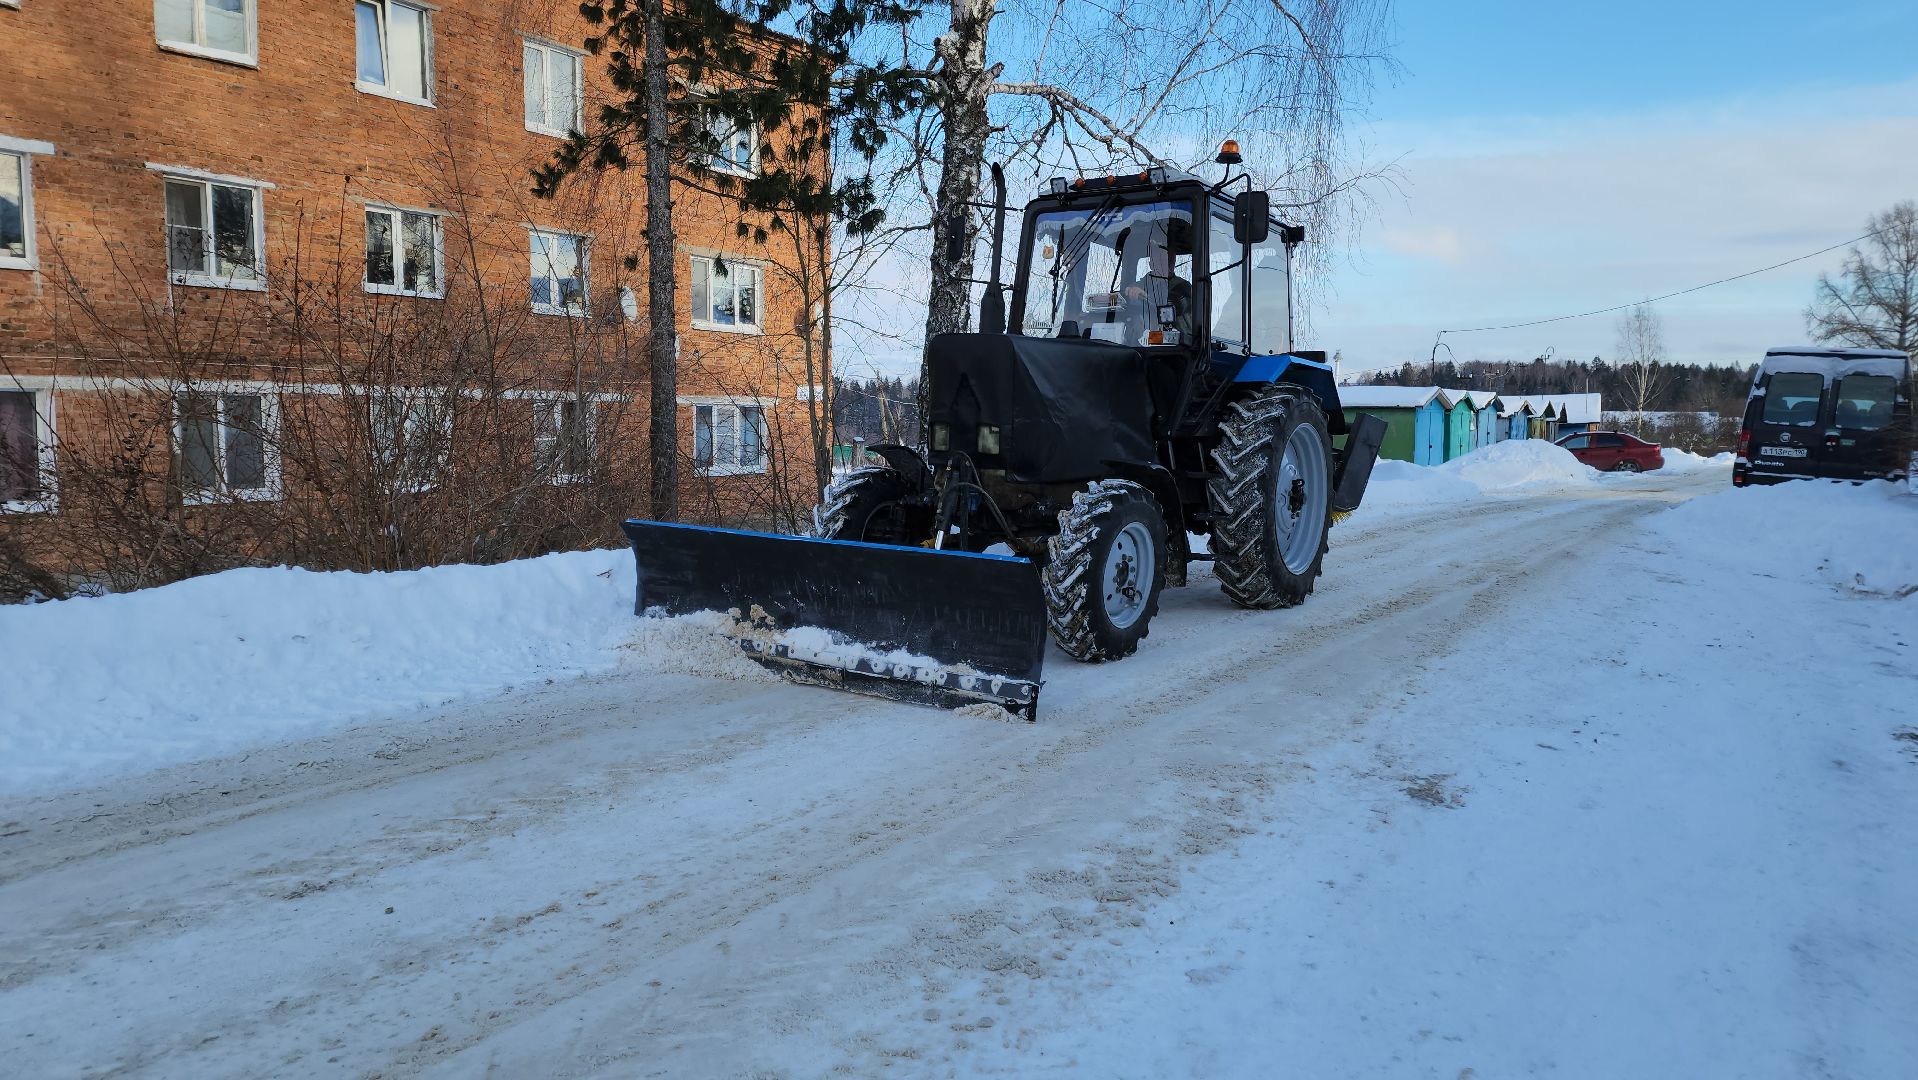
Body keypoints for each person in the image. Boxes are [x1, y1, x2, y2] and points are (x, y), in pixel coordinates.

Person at [1123, 244, 1193, 345]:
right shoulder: (1141, 284)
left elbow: (1173, 304)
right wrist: (1128, 292)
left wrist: (1146, 297)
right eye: (1162, 260)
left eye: (1170, 261)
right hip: (1145, 342)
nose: (1168, 264)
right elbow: (1125, 298)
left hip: (1178, 345)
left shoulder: (1183, 287)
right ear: (1151, 264)